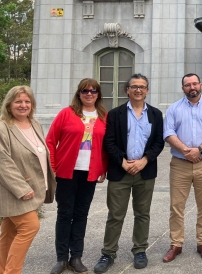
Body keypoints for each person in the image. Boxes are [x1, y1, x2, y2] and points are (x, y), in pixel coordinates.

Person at [93, 74, 165, 272]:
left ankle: (140, 250)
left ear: (147, 90)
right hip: (120, 171)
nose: (138, 90)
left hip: (145, 171)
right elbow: (109, 142)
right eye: (134, 86)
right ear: (127, 90)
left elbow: (159, 142)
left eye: (142, 87)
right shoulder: (115, 114)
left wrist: (144, 161)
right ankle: (108, 253)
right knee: (115, 215)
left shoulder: (156, 115)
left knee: (142, 214)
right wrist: (123, 163)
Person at [46, 78, 109, 274]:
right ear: (79, 93)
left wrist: (103, 168)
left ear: (98, 94)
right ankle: (61, 258)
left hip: (89, 174)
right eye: (85, 90)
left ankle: (76, 257)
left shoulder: (104, 116)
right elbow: (50, 141)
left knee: (81, 215)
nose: (89, 94)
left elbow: (107, 146)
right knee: (65, 214)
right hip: (66, 172)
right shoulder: (67, 113)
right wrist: (53, 167)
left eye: (93, 91)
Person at [162, 73, 202, 263]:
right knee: (176, 206)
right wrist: (187, 151)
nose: (192, 87)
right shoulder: (174, 109)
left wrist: (200, 150)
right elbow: (168, 133)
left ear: (201, 85)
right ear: (183, 88)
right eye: (187, 85)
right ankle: (176, 244)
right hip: (180, 164)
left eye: (194, 83)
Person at [0, 86, 56, 274]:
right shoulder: (3, 127)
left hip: (33, 188)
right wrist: (21, 188)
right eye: (18, 101)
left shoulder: (35, 124)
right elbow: (2, 161)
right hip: (13, 191)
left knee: (9, 233)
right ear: (9, 105)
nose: (23, 105)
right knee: (30, 226)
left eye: (27, 101)